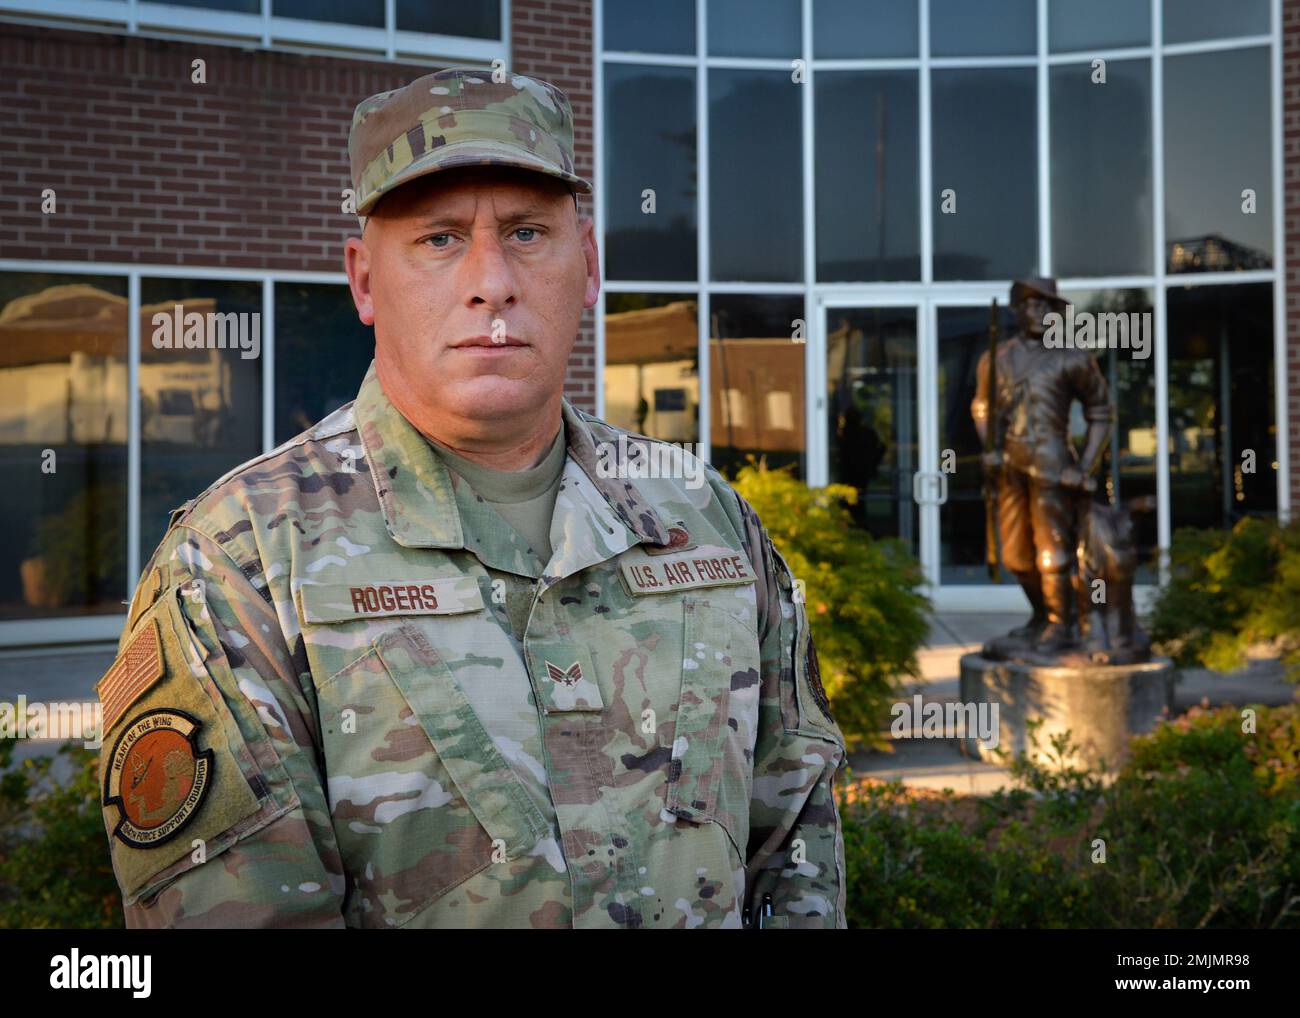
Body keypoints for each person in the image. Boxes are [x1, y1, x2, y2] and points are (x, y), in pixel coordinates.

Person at [94, 66, 849, 929]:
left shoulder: (702, 516)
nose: (492, 281)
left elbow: (798, 847)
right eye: (440, 239)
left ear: (589, 264)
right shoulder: (239, 561)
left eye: (528, 233)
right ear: (365, 281)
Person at [971, 277, 1113, 655]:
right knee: (1016, 555)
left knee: (1054, 552)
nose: (1038, 313)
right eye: (1030, 305)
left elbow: (1101, 412)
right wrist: (987, 443)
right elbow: (982, 406)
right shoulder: (996, 358)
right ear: (1016, 311)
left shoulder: (1073, 357)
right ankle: (1041, 616)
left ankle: (1062, 624)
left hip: (1053, 464)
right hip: (1009, 464)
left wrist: (1084, 466)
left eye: (1046, 306)